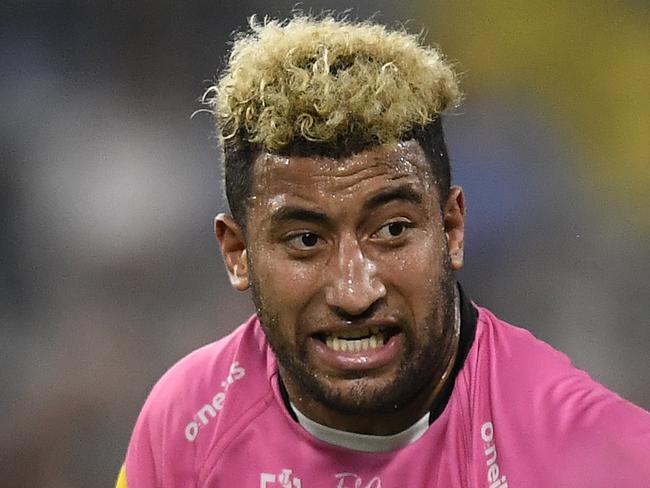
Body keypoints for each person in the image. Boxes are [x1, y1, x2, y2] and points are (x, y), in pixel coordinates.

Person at [116, 15, 650, 488]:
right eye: (306, 240)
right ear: (237, 253)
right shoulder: (184, 426)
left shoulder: (590, 453)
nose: (355, 291)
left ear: (451, 228)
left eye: (392, 230)